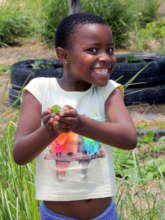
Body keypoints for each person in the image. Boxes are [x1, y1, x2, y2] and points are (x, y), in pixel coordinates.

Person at [13, 12, 137, 220]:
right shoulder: (40, 90)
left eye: (110, 50)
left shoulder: (109, 92)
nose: (105, 57)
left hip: (103, 214)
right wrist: (49, 131)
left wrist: (80, 124)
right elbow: (20, 155)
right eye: (92, 50)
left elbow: (129, 138)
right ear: (64, 56)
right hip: (55, 216)